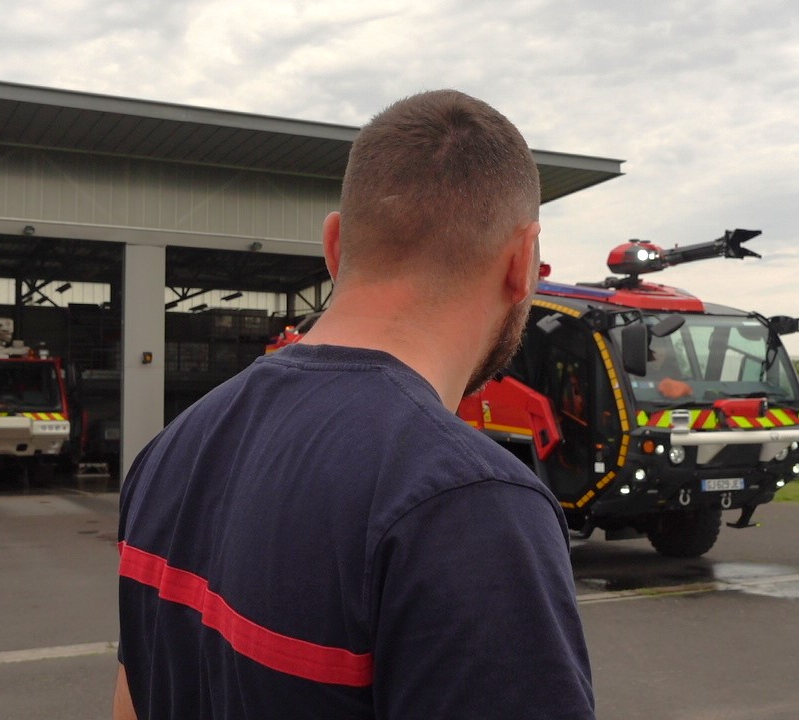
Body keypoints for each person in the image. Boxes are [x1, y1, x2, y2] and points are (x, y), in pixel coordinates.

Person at [113, 90, 595, 719]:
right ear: (524, 261)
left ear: (334, 246)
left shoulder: (170, 452)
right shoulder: (469, 506)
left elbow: (131, 702)